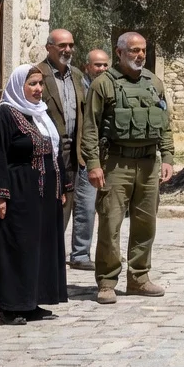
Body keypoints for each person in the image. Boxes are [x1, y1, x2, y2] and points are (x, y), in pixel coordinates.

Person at [81, 32, 174, 305]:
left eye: (143, 50)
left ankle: (139, 278)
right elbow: (90, 128)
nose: (140, 55)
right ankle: (107, 282)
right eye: (134, 50)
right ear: (119, 52)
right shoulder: (103, 84)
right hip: (115, 164)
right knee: (110, 224)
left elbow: (165, 123)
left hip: (148, 164)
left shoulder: (154, 83)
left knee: (146, 223)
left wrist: (168, 157)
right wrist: (93, 164)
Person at [0, 65, 69, 324]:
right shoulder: (3, 116)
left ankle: (32, 302)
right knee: (16, 246)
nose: (38, 89)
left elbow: (54, 151)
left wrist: (62, 186)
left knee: (38, 246)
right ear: (19, 86)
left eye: (40, 83)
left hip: (43, 196)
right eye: (32, 84)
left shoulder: (41, 114)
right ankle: (11, 305)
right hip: (17, 195)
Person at [36, 30, 86, 259]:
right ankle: (43, 257)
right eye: (62, 45)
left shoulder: (77, 75)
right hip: (48, 153)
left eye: (71, 45)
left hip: (73, 154)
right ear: (49, 47)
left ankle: (55, 257)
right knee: (47, 208)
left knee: (67, 206)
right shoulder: (37, 74)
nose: (68, 50)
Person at [67, 48, 110, 271]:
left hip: (104, 156)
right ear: (87, 67)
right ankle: (80, 254)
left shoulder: (109, 87)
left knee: (103, 206)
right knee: (84, 206)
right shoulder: (81, 88)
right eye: (97, 65)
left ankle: (103, 253)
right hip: (83, 156)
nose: (101, 69)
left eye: (105, 65)